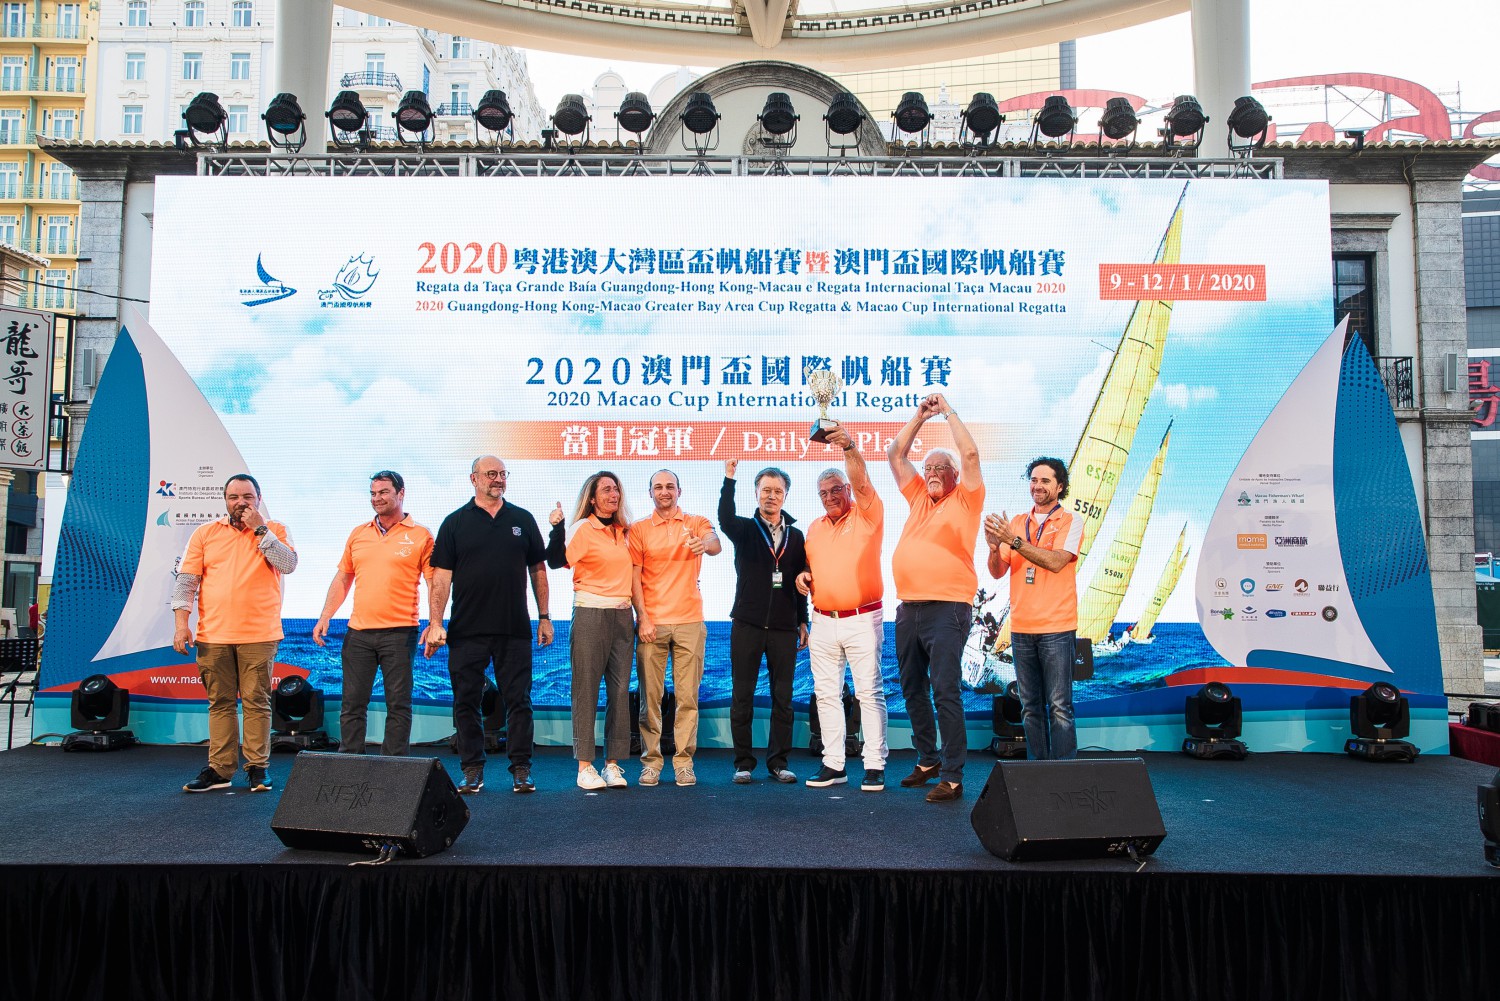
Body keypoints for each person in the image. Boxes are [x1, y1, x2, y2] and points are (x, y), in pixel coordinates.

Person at [424, 456, 552, 794]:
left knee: (519, 701)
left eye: (502, 474)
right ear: (474, 479)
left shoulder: (522, 519)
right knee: (465, 702)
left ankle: (521, 769)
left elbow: (538, 570)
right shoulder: (454, 523)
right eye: (491, 474)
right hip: (466, 630)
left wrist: (544, 616)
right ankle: (471, 770)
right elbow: (441, 578)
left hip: (514, 629)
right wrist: (435, 622)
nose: (498, 479)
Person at [886, 393, 984, 803]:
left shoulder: (967, 498)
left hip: (948, 609)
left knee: (944, 690)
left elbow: (971, 453)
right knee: (912, 688)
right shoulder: (918, 498)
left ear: (954, 474)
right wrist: (919, 417)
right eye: (927, 468)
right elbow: (895, 454)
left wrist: (946, 412)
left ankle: (953, 776)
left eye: (940, 468)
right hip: (908, 609)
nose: (930, 473)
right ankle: (927, 759)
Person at [173, 473, 298, 793]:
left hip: (259, 634)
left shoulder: (275, 529)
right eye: (234, 497)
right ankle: (220, 769)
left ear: (259, 498)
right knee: (220, 703)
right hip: (213, 635)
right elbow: (186, 582)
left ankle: (257, 768)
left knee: (256, 702)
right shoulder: (205, 533)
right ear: (225, 501)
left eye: (247, 497)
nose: (241, 503)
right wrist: (181, 625)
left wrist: (260, 529)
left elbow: (288, 564)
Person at [312, 471, 433, 757]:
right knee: (352, 704)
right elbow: (344, 577)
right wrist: (325, 615)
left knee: (398, 705)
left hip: (400, 632)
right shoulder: (359, 533)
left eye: (383, 492)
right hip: (358, 633)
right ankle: (350, 761)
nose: (377, 498)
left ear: (401, 493)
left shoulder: (421, 535)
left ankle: (394, 766)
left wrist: (435, 623)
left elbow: (434, 582)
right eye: (373, 493)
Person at [797, 426, 889, 792]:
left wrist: (848, 446)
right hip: (822, 621)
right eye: (824, 493)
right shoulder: (814, 528)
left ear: (848, 490)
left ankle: (875, 764)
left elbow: (861, 477)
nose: (830, 497)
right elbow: (810, 566)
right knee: (825, 695)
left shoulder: (867, 514)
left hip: (862, 619)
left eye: (836, 489)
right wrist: (802, 575)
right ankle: (834, 764)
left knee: (869, 693)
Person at [986, 457, 1084, 760]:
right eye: (1033, 480)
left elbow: (1055, 562)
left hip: (1057, 627)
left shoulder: (1070, 521)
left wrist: (1013, 541)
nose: (1037, 486)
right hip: (1022, 628)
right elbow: (997, 572)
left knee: (1060, 707)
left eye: (1045, 481)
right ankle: (1038, 772)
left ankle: (1064, 773)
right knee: (1029, 707)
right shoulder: (1016, 522)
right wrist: (994, 548)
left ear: (1060, 486)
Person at [629, 469, 722, 787]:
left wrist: (704, 544)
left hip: (690, 622)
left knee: (687, 698)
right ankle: (651, 762)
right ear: (650, 492)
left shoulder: (696, 522)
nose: (664, 491)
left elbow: (715, 543)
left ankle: (684, 763)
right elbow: (634, 577)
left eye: (670, 486)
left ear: (679, 491)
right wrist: (642, 617)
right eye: (658, 487)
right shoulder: (639, 529)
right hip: (651, 623)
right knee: (649, 698)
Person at [719, 459, 809, 785]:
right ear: (756, 493)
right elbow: (724, 518)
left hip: (784, 628)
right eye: (765, 490)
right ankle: (743, 763)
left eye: (777, 491)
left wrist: (803, 621)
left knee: (783, 699)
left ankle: (778, 763)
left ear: (785, 496)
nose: (771, 496)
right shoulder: (744, 529)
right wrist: (729, 479)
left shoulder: (797, 536)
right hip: (747, 624)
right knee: (742, 696)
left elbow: (801, 584)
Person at [546, 471, 635, 791]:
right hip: (590, 614)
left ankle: (612, 764)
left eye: (616, 489)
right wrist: (557, 528)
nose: (613, 494)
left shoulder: (625, 532)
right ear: (593, 498)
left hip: (623, 616)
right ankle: (585, 766)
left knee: (620, 691)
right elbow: (556, 560)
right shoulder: (583, 528)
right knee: (586, 689)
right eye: (606, 490)